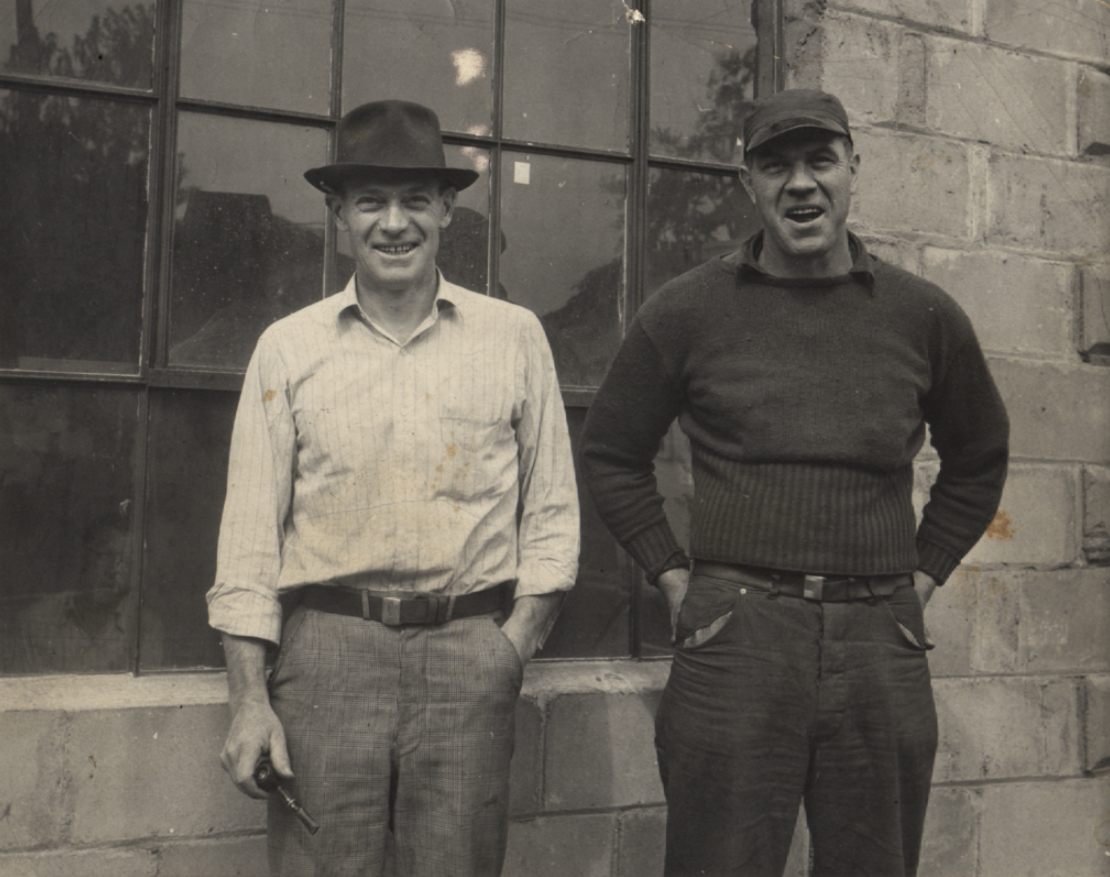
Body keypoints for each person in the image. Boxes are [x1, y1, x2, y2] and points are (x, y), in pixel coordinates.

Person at [580, 89, 1009, 877]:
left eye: (820, 160)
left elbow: (980, 453)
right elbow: (610, 450)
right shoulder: (687, 310)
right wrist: (675, 578)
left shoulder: (924, 314)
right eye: (776, 165)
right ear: (748, 182)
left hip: (881, 641)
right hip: (735, 635)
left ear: (854, 168)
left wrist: (922, 575)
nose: (801, 184)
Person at [207, 100, 580, 877]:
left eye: (414, 199)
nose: (394, 223)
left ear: (447, 208)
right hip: (325, 659)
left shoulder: (513, 337)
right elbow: (247, 549)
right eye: (371, 200)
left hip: (467, 652)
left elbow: (551, 516)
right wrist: (250, 698)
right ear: (338, 213)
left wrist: (510, 646)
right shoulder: (289, 348)